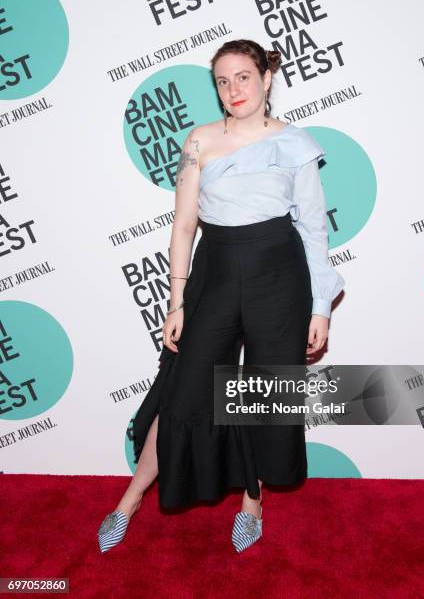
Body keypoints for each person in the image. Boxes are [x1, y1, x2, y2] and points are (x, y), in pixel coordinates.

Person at [97, 39, 345, 554]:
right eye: (222, 81)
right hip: (214, 271)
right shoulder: (199, 141)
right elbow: (184, 226)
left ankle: (252, 504)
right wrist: (176, 300)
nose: (233, 89)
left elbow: (314, 229)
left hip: (280, 276)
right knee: (185, 389)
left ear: (266, 78)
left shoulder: (295, 143)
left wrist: (320, 305)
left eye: (243, 77)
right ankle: (130, 499)